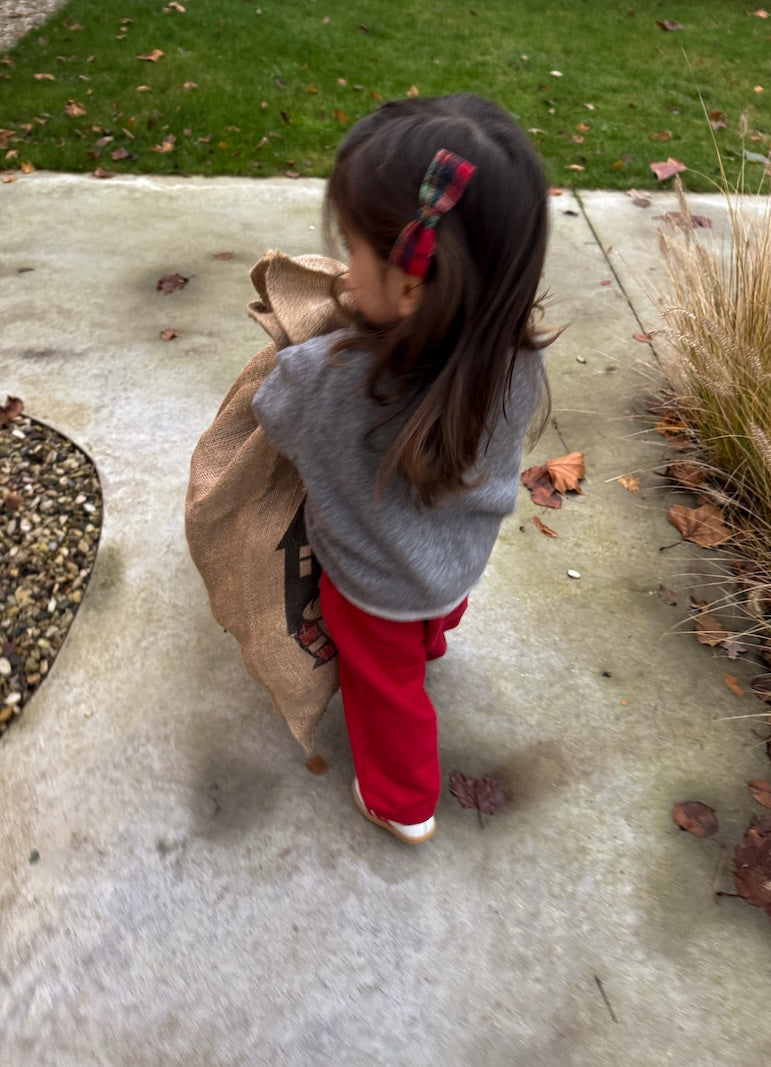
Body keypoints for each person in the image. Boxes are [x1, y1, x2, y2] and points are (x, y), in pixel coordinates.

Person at [253, 93, 554, 844]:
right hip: (456, 559)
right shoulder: (516, 360)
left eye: (352, 248)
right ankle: (433, 636)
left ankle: (401, 799)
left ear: (414, 286)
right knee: (427, 614)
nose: (346, 268)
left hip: (373, 581)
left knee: (384, 686)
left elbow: (276, 416)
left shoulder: (331, 377)